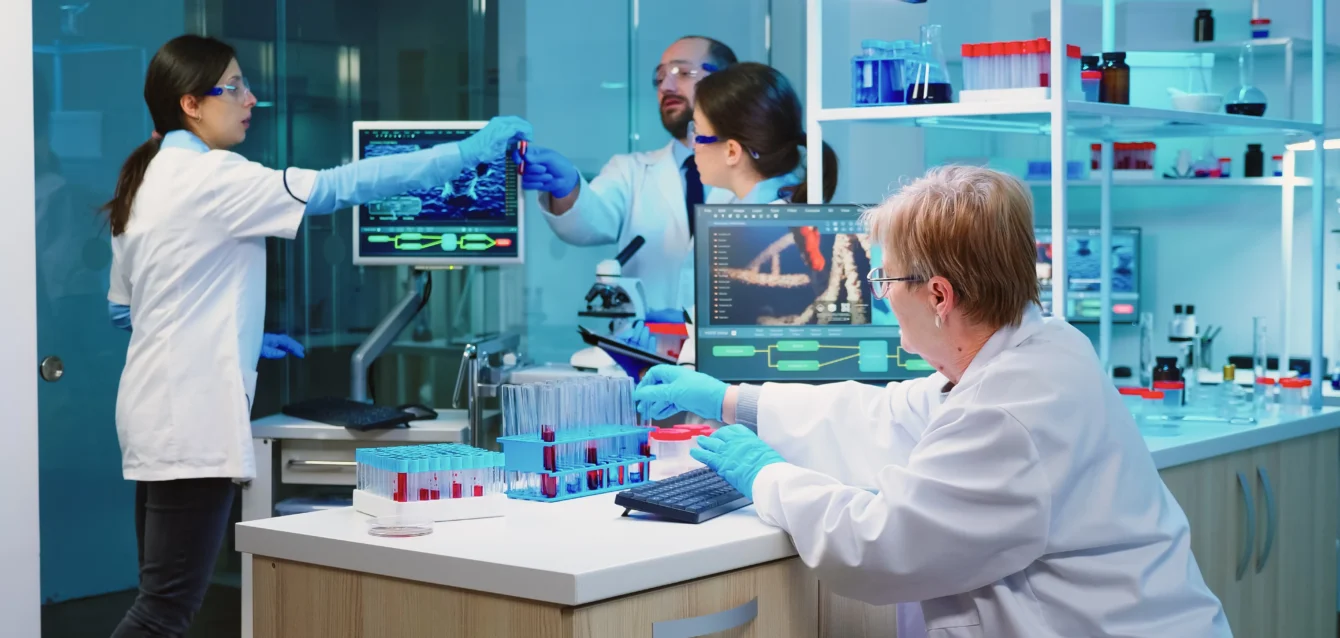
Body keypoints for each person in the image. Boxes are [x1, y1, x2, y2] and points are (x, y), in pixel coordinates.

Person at [633, 166, 1230, 637]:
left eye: (885, 281)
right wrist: (732, 400)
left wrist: (767, 478)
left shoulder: (1007, 409)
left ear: (939, 295)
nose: (883, 296)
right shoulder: (1035, 347)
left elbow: (883, 545)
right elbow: (891, 416)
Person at [103, 35, 530, 637]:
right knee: (164, 609)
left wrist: (234, 336)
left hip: (153, 417)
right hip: (190, 425)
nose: (251, 98)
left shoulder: (145, 179)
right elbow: (339, 186)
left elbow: (127, 313)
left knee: (159, 595)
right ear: (190, 104)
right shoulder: (211, 175)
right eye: (234, 87)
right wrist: (465, 155)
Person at [518, 35, 738, 314]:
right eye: (659, 78)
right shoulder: (630, 171)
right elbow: (588, 222)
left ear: (729, 83)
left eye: (683, 73)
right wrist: (567, 185)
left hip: (736, 349)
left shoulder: (765, 168)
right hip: (647, 349)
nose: (666, 87)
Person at [689, 61, 838, 205]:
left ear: (732, 152)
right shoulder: (783, 202)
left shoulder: (764, 225)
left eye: (696, 132)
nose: (693, 146)